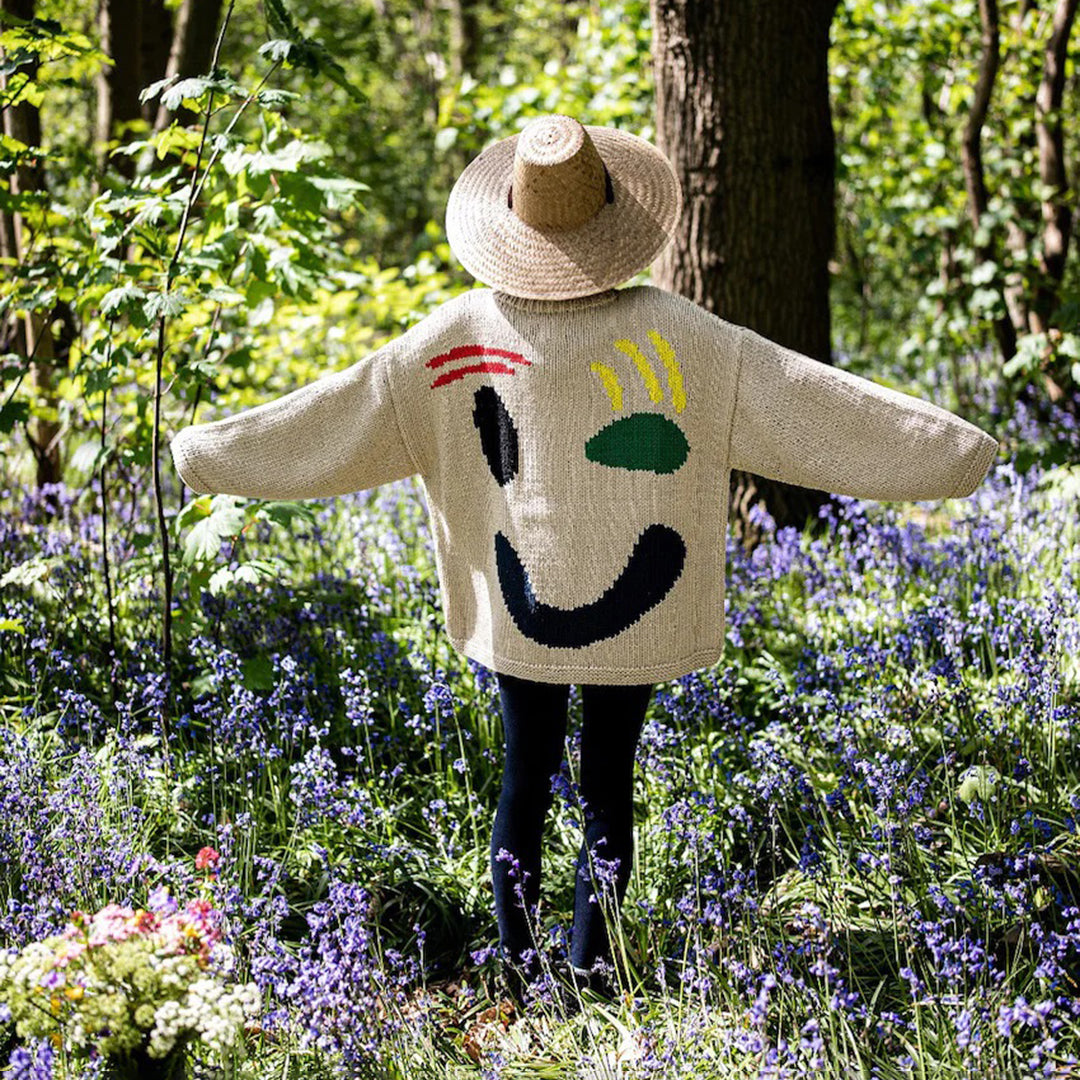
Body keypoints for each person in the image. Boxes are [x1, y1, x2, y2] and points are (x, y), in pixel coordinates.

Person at [170, 113, 999, 1007]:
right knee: (609, 785)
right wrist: (955, 453)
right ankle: (590, 973)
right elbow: (812, 405)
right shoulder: (681, 337)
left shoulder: (451, 340)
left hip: (521, 609)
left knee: (524, 778)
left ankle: (523, 980)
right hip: (635, 606)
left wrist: (207, 453)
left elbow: (332, 416)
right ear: (615, 220)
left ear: (511, 220)